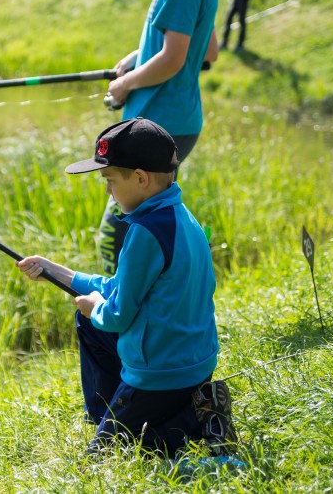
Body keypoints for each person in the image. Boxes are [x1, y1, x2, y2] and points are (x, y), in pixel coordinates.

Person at [17, 118, 227, 458]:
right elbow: (123, 287)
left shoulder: (144, 233)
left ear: (141, 179)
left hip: (159, 375)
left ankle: (174, 421)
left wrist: (92, 306)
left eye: (110, 180)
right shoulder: (180, 216)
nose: (107, 191)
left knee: (100, 459)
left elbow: (116, 315)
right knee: (91, 319)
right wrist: (61, 273)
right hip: (194, 363)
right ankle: (191, 410)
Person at [99, 0, 219, 274]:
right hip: (173, 118)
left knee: (119, 231)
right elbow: (208, 50)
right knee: (140, 227)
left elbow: (173, 60)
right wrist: (137, 57)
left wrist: (124, 84)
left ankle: (124, 319)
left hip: (160, 119)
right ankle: (145, 312)